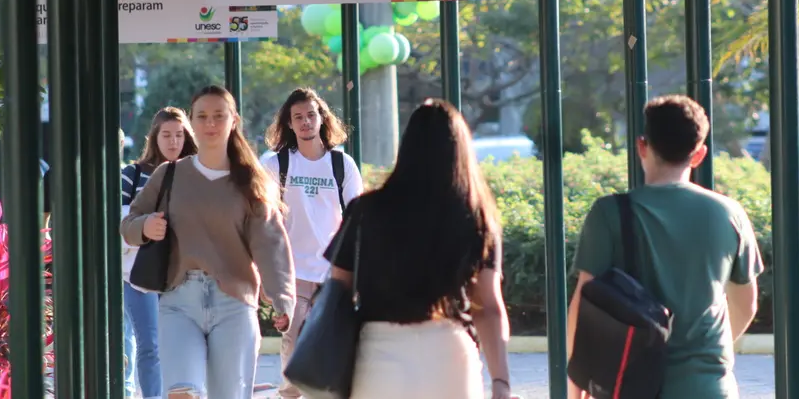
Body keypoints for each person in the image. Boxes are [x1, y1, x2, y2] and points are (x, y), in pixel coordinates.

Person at [567, 95, 763, 399]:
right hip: (709, 387)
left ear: (642, 146)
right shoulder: (729, 214)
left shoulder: (608, 214)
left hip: (632, 386)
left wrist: (577, 390)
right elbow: (746, 304)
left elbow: (583, 307)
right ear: (699, 155)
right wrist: (710, 354)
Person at [323, 98, 512, 399]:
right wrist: (501, 382)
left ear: (407, 147)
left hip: (378, 356)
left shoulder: (367, 210)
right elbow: (488, 307)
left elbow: (338, 287)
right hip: (450, 354)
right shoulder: (476, 217)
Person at [121, 85, 295, 399]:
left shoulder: (251, 182)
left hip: (235, 304)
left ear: (234, 120)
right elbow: (129, 224)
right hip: (178, 303)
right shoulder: (169, 174)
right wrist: (145, 226)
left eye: (219, 115)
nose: (210, 123)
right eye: (202, 116)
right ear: (192, 121)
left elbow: (271, 245)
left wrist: (281, 298)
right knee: (181, 392)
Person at [262, 87, 363, 399]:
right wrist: (266, 275)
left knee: (332, 342)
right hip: (291, 272)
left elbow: (357, 219)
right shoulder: (274, 164)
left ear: (322, 119)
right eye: (298, 117)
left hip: (333, 273)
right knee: (292, 341)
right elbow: (261, 221)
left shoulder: (342, 164)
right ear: (289, 124)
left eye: (310, 115)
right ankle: (290, 394)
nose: (305, 122)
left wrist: (360, 271)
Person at [122, 108, 197, 399]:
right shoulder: (132, 174)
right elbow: (119, 220)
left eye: (179, 135)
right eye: (166, 135)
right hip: (139, 274)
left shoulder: (196, 174)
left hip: (183, 274)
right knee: (150, 344)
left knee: (180, 343)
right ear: (154, 138)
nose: (173, 141)